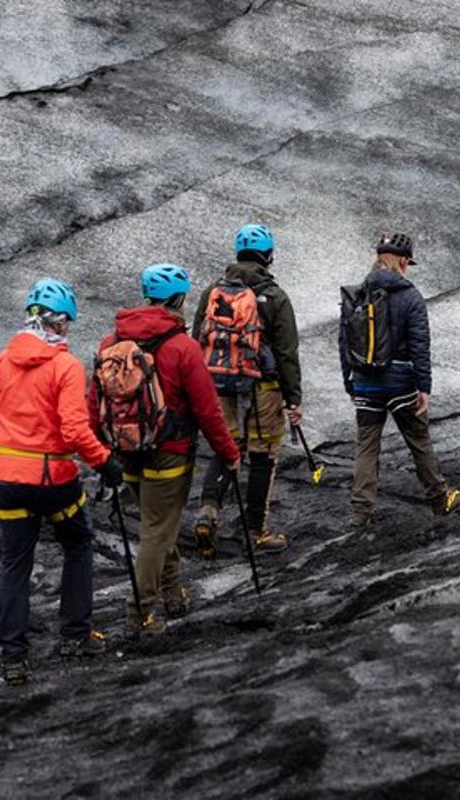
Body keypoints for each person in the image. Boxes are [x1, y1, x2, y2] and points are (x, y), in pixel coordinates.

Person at [0, 278, 123, 686]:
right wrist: (105, 461)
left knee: (15, 564)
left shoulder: (2, 362)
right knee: (77, 544)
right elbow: (74, 431)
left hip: (8, 478)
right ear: (57, 324)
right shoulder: (65, 366)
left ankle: (13, 657)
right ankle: (75, 636)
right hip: (52, 477)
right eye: (66, 324)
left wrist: (2, 458)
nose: (68, 331)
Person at [90, 264, 241, 637]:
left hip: (127, 451)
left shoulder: (111, 343)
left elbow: (94, 401)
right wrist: (229, 453)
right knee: (157, 531)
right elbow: (208, 410)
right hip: (169, 454)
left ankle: (174, 595)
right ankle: (138, 614)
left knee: (158, 524)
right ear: (178, 299)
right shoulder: (182, 348)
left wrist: (102, 451)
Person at [191, 224, 303, 557]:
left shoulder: (214, 291)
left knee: (227, 448)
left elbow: (199, 338)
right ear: (268, 256)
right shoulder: (275, 296)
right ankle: (256, 531)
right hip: (263, 388)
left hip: (221, 385)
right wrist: (293, 398)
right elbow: (286, 352)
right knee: (262, 455)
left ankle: (208, 512)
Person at [340, 232, 460, 528]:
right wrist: (425, 387)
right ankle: (440, 499)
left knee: (366, 447)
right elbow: (420, 345)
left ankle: (360, 512)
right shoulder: (411, 296)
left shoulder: (357, 293)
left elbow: (344, 341)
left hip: (365, 382)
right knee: (419, 441)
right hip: (401, 383)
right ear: (405, 262)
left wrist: (350, 382)